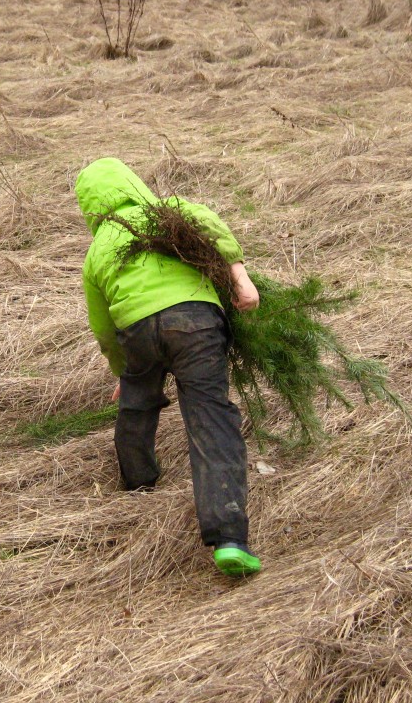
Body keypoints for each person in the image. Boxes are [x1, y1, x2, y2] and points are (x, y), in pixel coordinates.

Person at [75, 157, 262, 578]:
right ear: (133, 183)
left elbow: (103, 326)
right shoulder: (169, 211)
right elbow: (212, 226)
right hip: (195, 321)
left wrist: (123, 371)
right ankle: (230, 537)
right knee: (210, 415)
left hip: (136, 330)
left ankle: (138, 482)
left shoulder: (97, 250)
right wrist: (239, 277)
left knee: (138, 404)